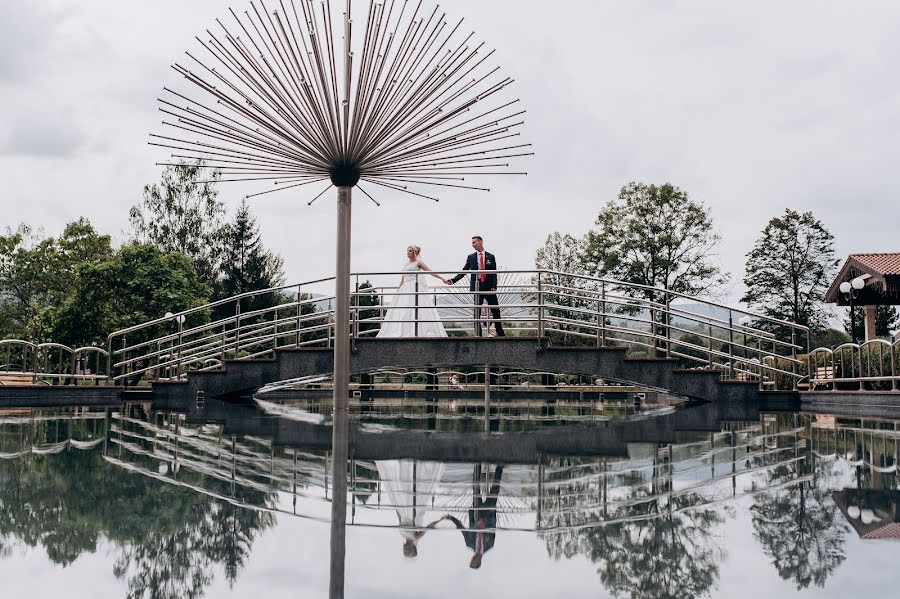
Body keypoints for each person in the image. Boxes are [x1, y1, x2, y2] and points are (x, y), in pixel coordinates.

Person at [375, 459, 446, 558]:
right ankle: (414, 466)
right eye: (408, 550)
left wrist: (396, 506)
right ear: (413, 548)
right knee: (414, 489)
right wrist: (440, 520)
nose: (405, 549)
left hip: (403, 509)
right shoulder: (415, 537)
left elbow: (400, 519)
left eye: (404, 550)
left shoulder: (402, 535)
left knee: (401, 486)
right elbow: (428, 528)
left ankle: (405, 466)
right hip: (414, 512)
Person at [377, 245, 450, 338]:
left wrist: (442, 279)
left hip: (415, 287)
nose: (408, 253)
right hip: (405, 288)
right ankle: (403, 331)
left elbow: (430, 272)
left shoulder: (418, 263)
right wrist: (398, 291)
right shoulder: (405, 265)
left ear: (415, 253)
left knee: (418, 310)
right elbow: (402, 279)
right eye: (407, 251)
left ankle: (419, 332)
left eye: (410, 251)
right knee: (403, 311)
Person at [444, 464, 504, 569]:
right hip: (488, 514)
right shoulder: (489, 545)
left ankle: (477, 465)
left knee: (475, 489)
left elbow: (462, 529)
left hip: (476, 514)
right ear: (479, 562)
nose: (472, 559)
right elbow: (492, 528)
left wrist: (452, 518)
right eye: (473, 562)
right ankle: (500, 467)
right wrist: (493, 513)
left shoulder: (469, 543)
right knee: (495, 490)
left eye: (471, 561)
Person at [447, 236, 505, 337]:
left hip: (489, 287)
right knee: (477, 311)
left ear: (480, 242)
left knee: (496, 310)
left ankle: (500, 334)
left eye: (474, 242)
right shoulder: (471, 257)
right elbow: (464, 270)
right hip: (477, 287)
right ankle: (478, 335)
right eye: (472, 243)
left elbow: (494, 273)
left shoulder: (491, 257)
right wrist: (453, 280)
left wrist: (494, 286)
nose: (472, 245)